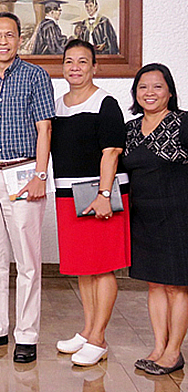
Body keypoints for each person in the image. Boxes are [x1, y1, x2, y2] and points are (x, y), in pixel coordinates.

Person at [0, 12, 55, 364]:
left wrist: (40, 175)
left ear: (19, 40)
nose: (3, 41)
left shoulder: (36, 76)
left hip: (23, 172)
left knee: (28, 259)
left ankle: (27, 335)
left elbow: (45, 129)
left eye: (10, 35)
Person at [50, 39, 129, 366]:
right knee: (83, 267)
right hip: (68, 195)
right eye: (70, 61)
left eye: (83, 62)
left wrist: (104, 195)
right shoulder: (56, 105)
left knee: (102, 267)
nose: (75, 68)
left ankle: (99, 337)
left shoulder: (105, 103)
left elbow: (111, 152)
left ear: (94, 67)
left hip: (101, 195)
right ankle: (87, 330)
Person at [123, 63, 188, 375]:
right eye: (143, 87)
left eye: (157, 86)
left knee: (177, 287)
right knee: (155, 285)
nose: (149, 92)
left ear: (170, 92)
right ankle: (159, 347)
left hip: (178, 217)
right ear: (136, 93)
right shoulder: (130, 130)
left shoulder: (183, 123)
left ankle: (174, 352)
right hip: (143, 218)